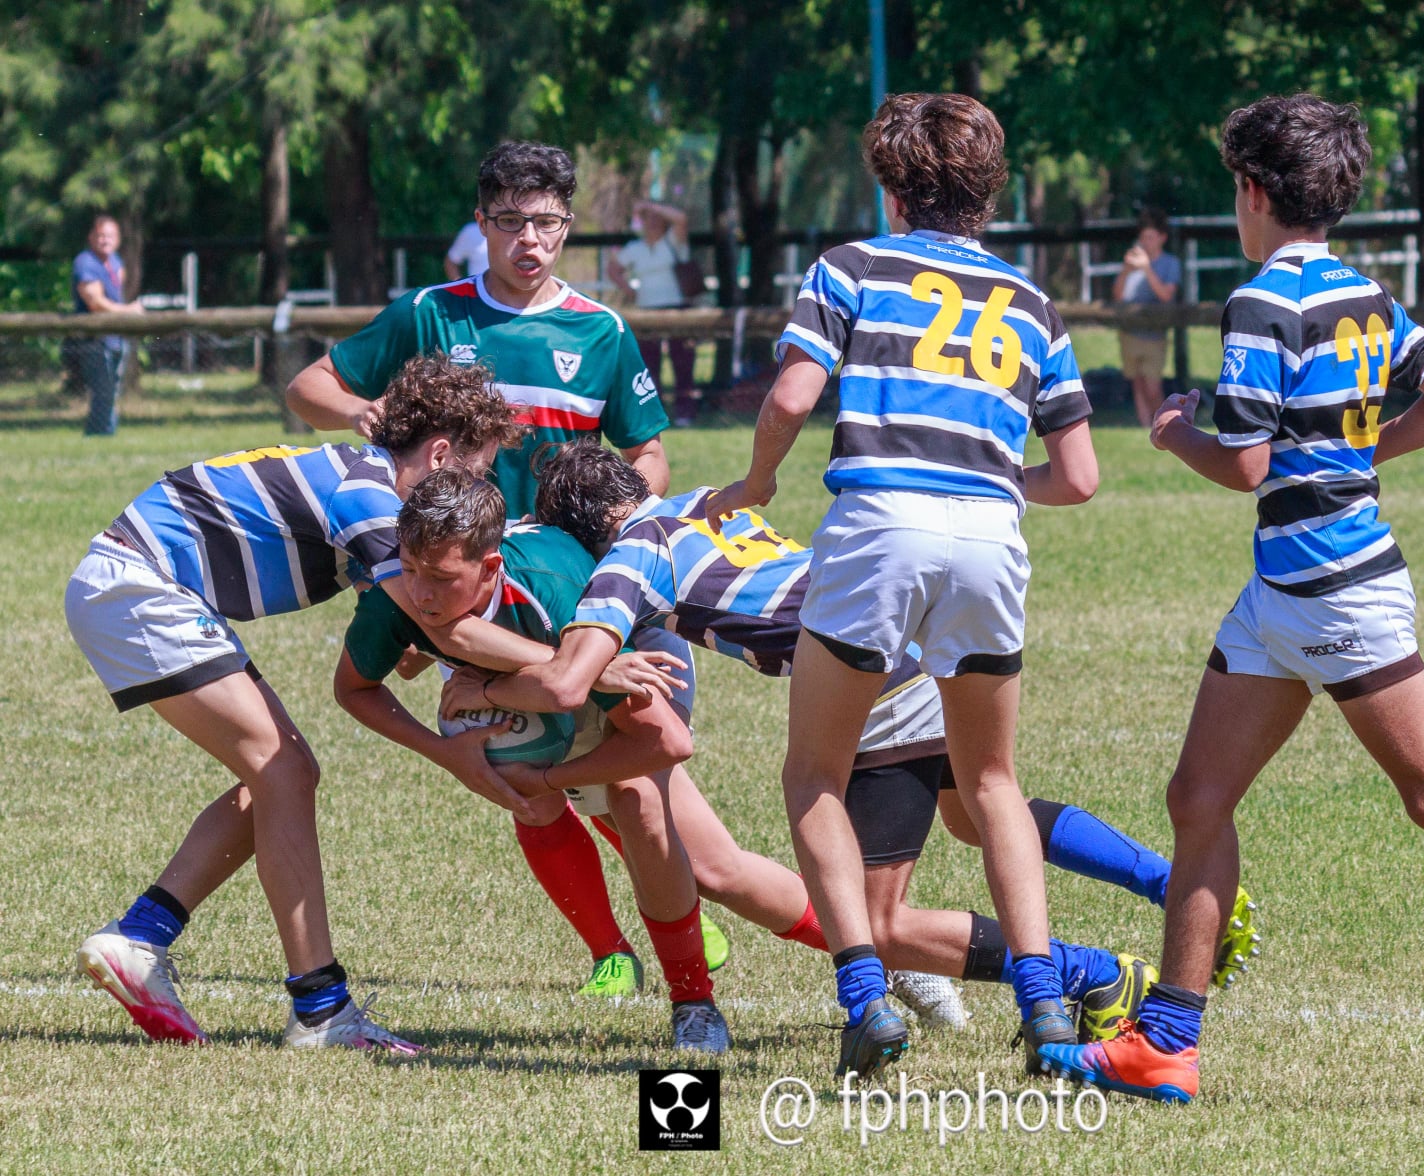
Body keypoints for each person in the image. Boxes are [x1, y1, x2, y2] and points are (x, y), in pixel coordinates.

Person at [1039, 94, 1424, 1111]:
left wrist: (1174, 435)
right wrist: (1360, 455)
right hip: (1282, 594)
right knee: (1197, 798)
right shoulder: (1365, 295)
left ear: (1253, 192)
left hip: (1336, 593)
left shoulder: (1260, 303)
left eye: (1233, 188)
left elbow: (1245, 464)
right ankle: (1166, 1042)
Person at [443, 444, 1195, 1060]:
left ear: (587, 532)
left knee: (878, 922)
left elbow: (570, 678)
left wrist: (487, 684)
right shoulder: (702, 503)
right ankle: (1166, 883)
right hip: (916, 654)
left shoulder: (631, 555)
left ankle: (1097, 973)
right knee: (979, 811)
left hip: (871, 688)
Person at [703, 91, 1099, 1080]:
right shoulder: (1032, 301)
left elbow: (792, 395)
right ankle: (1046, 1007)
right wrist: (985, 479)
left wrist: (756, 483)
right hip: (990, 541)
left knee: (814, 774)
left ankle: (865, 1001)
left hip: (877, 530)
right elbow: (1080, 476)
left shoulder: (851, 267)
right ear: (989, 191)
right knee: (993, 781)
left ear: (891, 188)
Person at [67, 355, 529, 1052]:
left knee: (278, 778)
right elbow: (445, 630)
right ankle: (319, 1009)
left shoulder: (369, 488)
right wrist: (578, 665)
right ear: (439, 455)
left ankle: (142, 935)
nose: (479, 487)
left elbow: (406, 635)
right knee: (283, 771)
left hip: (135, 583)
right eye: (479, 468)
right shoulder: (371, 497)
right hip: (139, 584)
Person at [331, 468, 730, 1052]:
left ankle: (836, 967)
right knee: (531, 801)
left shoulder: (552, 588)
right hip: (559, 681)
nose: (420, 593)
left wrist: (545, 770)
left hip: (631, 658)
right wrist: (447, 753)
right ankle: (619, 957)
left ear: (489, 567)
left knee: (683, 840)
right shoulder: (402, 595)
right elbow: (353, 688)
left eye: (440, 579)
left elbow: (666, 741)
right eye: (410, 569)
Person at [285, 140, 671, 513]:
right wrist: (358, 411)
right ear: (482, 224)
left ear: (566, 227)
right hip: (439, 550)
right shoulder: (429, 312)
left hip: (557, 553)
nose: (529, 238)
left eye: (546, 222)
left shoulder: (603, 331)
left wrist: (607, 514)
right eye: (510, 221)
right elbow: (305, 389)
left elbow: (650, 455)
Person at [607, 200, 700, 425]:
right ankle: (653, 412)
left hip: (677, 308)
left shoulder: (673, 241)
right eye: (648, 219)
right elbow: (613, 269)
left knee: (682, 361)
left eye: (657, 218)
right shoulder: (635, 248)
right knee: (649, 364)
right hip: (647, 310)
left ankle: (684, 412)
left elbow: (681, 219)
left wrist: (650, 206)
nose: (653, 222)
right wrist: (628, 289)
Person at [68, 214, 144, 436]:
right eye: (100, 235)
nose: (105, 240)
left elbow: (117, 286)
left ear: (118, 239)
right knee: (103, 389)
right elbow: (95, 302)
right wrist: (128, 311)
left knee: (112, 389)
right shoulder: (86, 262)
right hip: (95, 339)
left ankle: (105, 432)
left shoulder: (114, 261)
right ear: (91, 237)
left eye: (110, 236)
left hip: (115, 337)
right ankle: (100, 434)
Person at [1112, 207, 1182, 427]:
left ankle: (1163, 425)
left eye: (1150, 237)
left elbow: (1166, 296)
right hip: (1129, 332)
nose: (1145, 242)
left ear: (1162, 238)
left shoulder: (1170, 264)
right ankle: (1145, 427)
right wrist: (1126, 269)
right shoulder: (1132, 263)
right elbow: (1118, 295)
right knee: (1138, 383)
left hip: (1155, 335)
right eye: (1143, 237)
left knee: (1153, 385)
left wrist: (1146, 269)